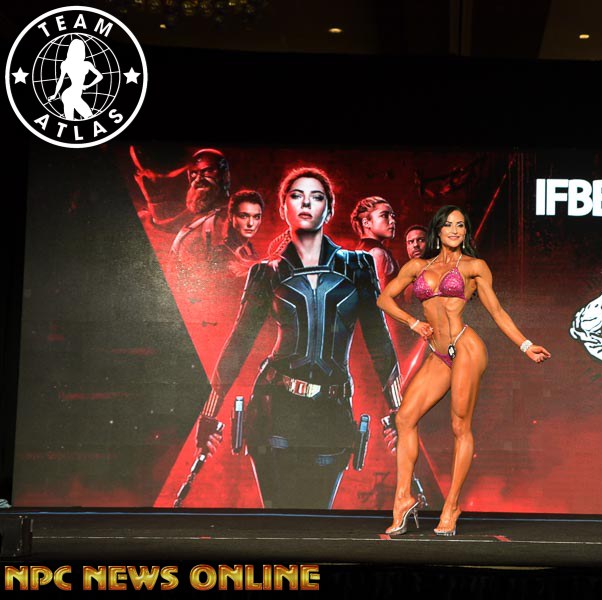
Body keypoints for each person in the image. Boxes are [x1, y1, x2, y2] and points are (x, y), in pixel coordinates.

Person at [195, 166, 403, 509]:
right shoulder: (265, 272)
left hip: (332, 412)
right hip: (275, 407)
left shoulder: (359, 267)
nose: (306, 203)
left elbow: (379, 341)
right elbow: (238, 343)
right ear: (283, 208)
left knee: (317, 519)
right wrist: (209, 415)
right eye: (297, 196)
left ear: (329, 209)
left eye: (316, 197)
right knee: (278, 519)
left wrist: (401, 412)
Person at [376, 205, 550, 536]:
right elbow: (384, 299)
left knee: (459, 425)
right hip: (438, 353)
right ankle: (403, 499)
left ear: (466, 231)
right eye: (448, 225)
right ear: (438, 231)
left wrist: (525, 345)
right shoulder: (417, 266)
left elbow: (496, 310)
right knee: (404, 418)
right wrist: (413, 322)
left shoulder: (474, 267)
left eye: (460, 225)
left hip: (466, 348)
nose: (455, 230)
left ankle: (452, 505)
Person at [132, 147, 232, 233]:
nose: (198, 179)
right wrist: (149, 196)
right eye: (194, 173)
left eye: (208, 171)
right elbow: (168, 225)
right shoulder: (196, 209)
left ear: (225, 175)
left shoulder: (232, 211)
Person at [209, 190, 264, 278]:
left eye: (256, 217)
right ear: (231, 216)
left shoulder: (249, 248)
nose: (251, 223)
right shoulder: (221, 252)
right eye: (244, 216)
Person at [47, 38, 103, 120]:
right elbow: (60, 80)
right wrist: (54, 95)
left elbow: (100, 76)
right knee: (74, 119)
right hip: (69, 95)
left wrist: (88, 85)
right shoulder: (66, 64)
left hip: (74, 95)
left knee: (86, 117)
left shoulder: (86, 64)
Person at [350, 196, 399, 289]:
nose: (393, 221)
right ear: (366, 223)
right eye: (384, 215)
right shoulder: (378, 253)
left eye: (392, 216)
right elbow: (379, 295)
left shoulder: (360, 250)